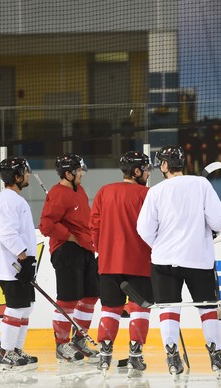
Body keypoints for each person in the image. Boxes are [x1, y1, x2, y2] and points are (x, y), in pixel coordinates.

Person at [136, 145, 221, 380]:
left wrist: (161, 245)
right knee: (208, 307)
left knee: (169, 308)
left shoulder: (155, 191)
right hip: (198, 259)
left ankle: (172, 357)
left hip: (164, 261)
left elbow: (144, 229)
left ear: (166, 165)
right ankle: (216, 356)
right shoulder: (201, 184)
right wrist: (208, 235)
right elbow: (219, 220)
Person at [89, 151, 154, 377]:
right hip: (140, 262)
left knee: (110, 308)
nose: (147, 173)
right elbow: (155, 228)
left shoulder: (104, 191)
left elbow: (93, 225)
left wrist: (102, 250)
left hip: (108, 263)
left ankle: (105, 354)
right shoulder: (147, 194)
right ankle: (135, 355)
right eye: (145, 169)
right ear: (136, 171)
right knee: (140, 308)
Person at [39, 153, 99, 364]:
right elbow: (46, 225)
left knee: (91, 296)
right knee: (68, 299)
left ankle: (80, 340)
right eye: (79, 170)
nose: (82, 173)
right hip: (67, 250)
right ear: (68, 173)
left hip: (85, 249)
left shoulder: (79, 190)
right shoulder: (57, 193)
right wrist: (70, 237)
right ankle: (61, 344)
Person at [0, 157, 39, 372]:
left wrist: (28, 260)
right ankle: (5, 352)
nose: (28, 175)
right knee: (16, 308)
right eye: (25, 172)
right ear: (17, 176)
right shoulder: (7, 200)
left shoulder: (15, 199)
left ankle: (16, 350)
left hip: (19, 265)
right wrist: (23, 258)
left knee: (26, 308)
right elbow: (7, 233)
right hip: (12, 267)